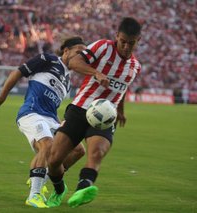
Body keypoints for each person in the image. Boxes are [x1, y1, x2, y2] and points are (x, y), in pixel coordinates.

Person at [46, 17, 142, 208]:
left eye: (131, 43)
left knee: (96, 152)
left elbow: (121, 90)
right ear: (117, 36)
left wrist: (120, 111)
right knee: (54, 160)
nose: (125, 47)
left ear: (137, 41)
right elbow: (74, 62)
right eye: (123, 41)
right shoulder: (103, 47)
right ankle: (59, 188)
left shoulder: (135, 67)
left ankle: (84, 187)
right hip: (80, 108)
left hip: (106, 116)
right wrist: (96, 73)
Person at [0, 36, 87, 208]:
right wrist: (2, 97)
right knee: (47, 145)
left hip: (51, 119)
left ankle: (42, 177)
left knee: (78, 149)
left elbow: (52, 106)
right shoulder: (47, 59)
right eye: (79, 52)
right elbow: (18, 72)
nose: (81, 57)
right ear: (66, 51)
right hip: (31, 113)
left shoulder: (68, 81)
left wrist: (62, 123)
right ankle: (34, 195)